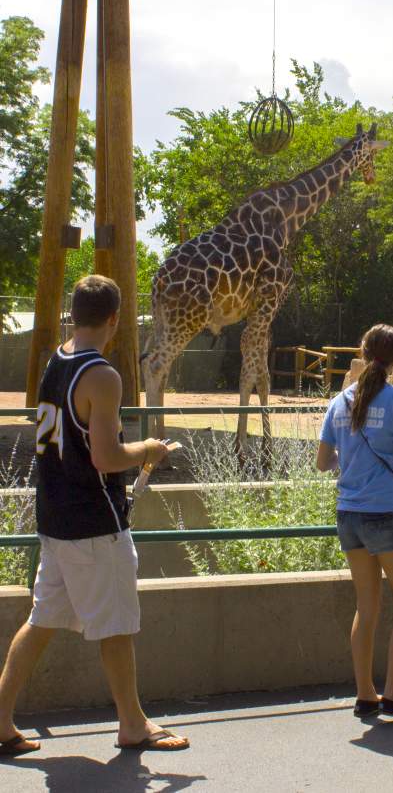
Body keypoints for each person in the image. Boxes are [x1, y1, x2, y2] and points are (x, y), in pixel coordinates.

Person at [0, 275, 189, 756]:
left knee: (42, 620)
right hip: (94, 525)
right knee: (118, 626)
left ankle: (1, 720)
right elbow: (106, 457)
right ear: (114, 319)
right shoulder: (101, 374)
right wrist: (148, 448)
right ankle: (134, 725)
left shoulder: (55, 360)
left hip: (56, 520)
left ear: (73, 312)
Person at [316, 324, 393, 720]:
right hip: (387, 511)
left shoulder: (339, 402)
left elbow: (322, 462)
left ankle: (365, 694)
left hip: (349, 514)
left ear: (363, 353)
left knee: (367, 607)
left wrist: (347, 463)